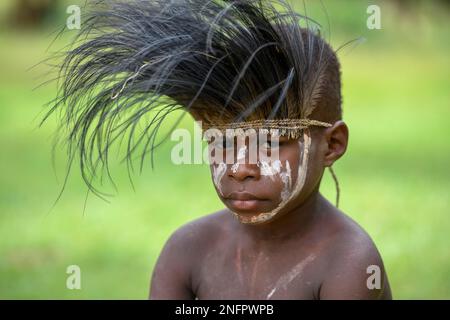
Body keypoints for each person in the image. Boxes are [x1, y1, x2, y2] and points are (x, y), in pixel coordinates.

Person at [43, 0, 392, 299]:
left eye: (271, 143)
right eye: (222, 143)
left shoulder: (348, 262)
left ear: (332, 145)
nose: (239, 168)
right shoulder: (188, 250)